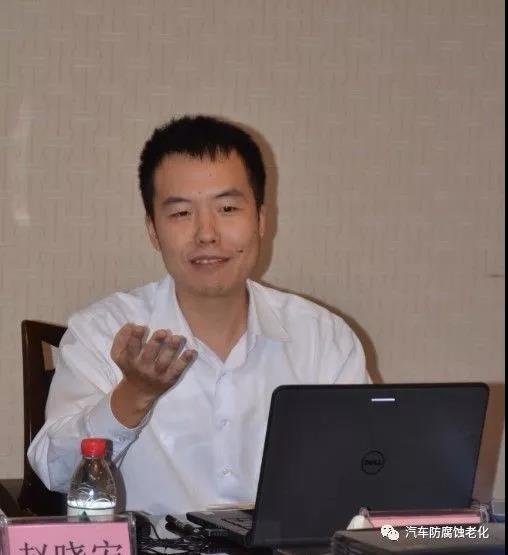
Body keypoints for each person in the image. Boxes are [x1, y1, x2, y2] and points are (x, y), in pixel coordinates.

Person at [28, 115, 370, 515]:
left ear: (261, 220)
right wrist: (132, 396)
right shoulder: (102, 332)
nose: (207, 233)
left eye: (227, 208)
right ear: (153, 231)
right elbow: (55, 471)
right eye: (180, 213)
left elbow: (365, 470)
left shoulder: (323, 338)